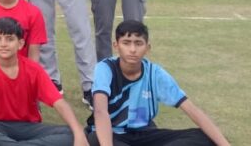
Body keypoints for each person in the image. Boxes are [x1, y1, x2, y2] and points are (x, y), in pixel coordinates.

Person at [88, 20, 230, 146]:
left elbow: (192, 110)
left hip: (144, 134)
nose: (132, 49)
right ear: (116, 45)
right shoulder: (105, 68)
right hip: (112, 134)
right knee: (95, 139)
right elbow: (100, 111)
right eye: (126, 43)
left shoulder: (154, 73)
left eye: (138, 43)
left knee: (204, 137)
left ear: (147, 48)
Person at [0, 17, 87, 146]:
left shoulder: (33, 69)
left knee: (71, 133)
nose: (3, 44)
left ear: (20, 43)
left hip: (28, 126)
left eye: (10, 39)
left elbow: (59, 103)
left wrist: (78, 132)